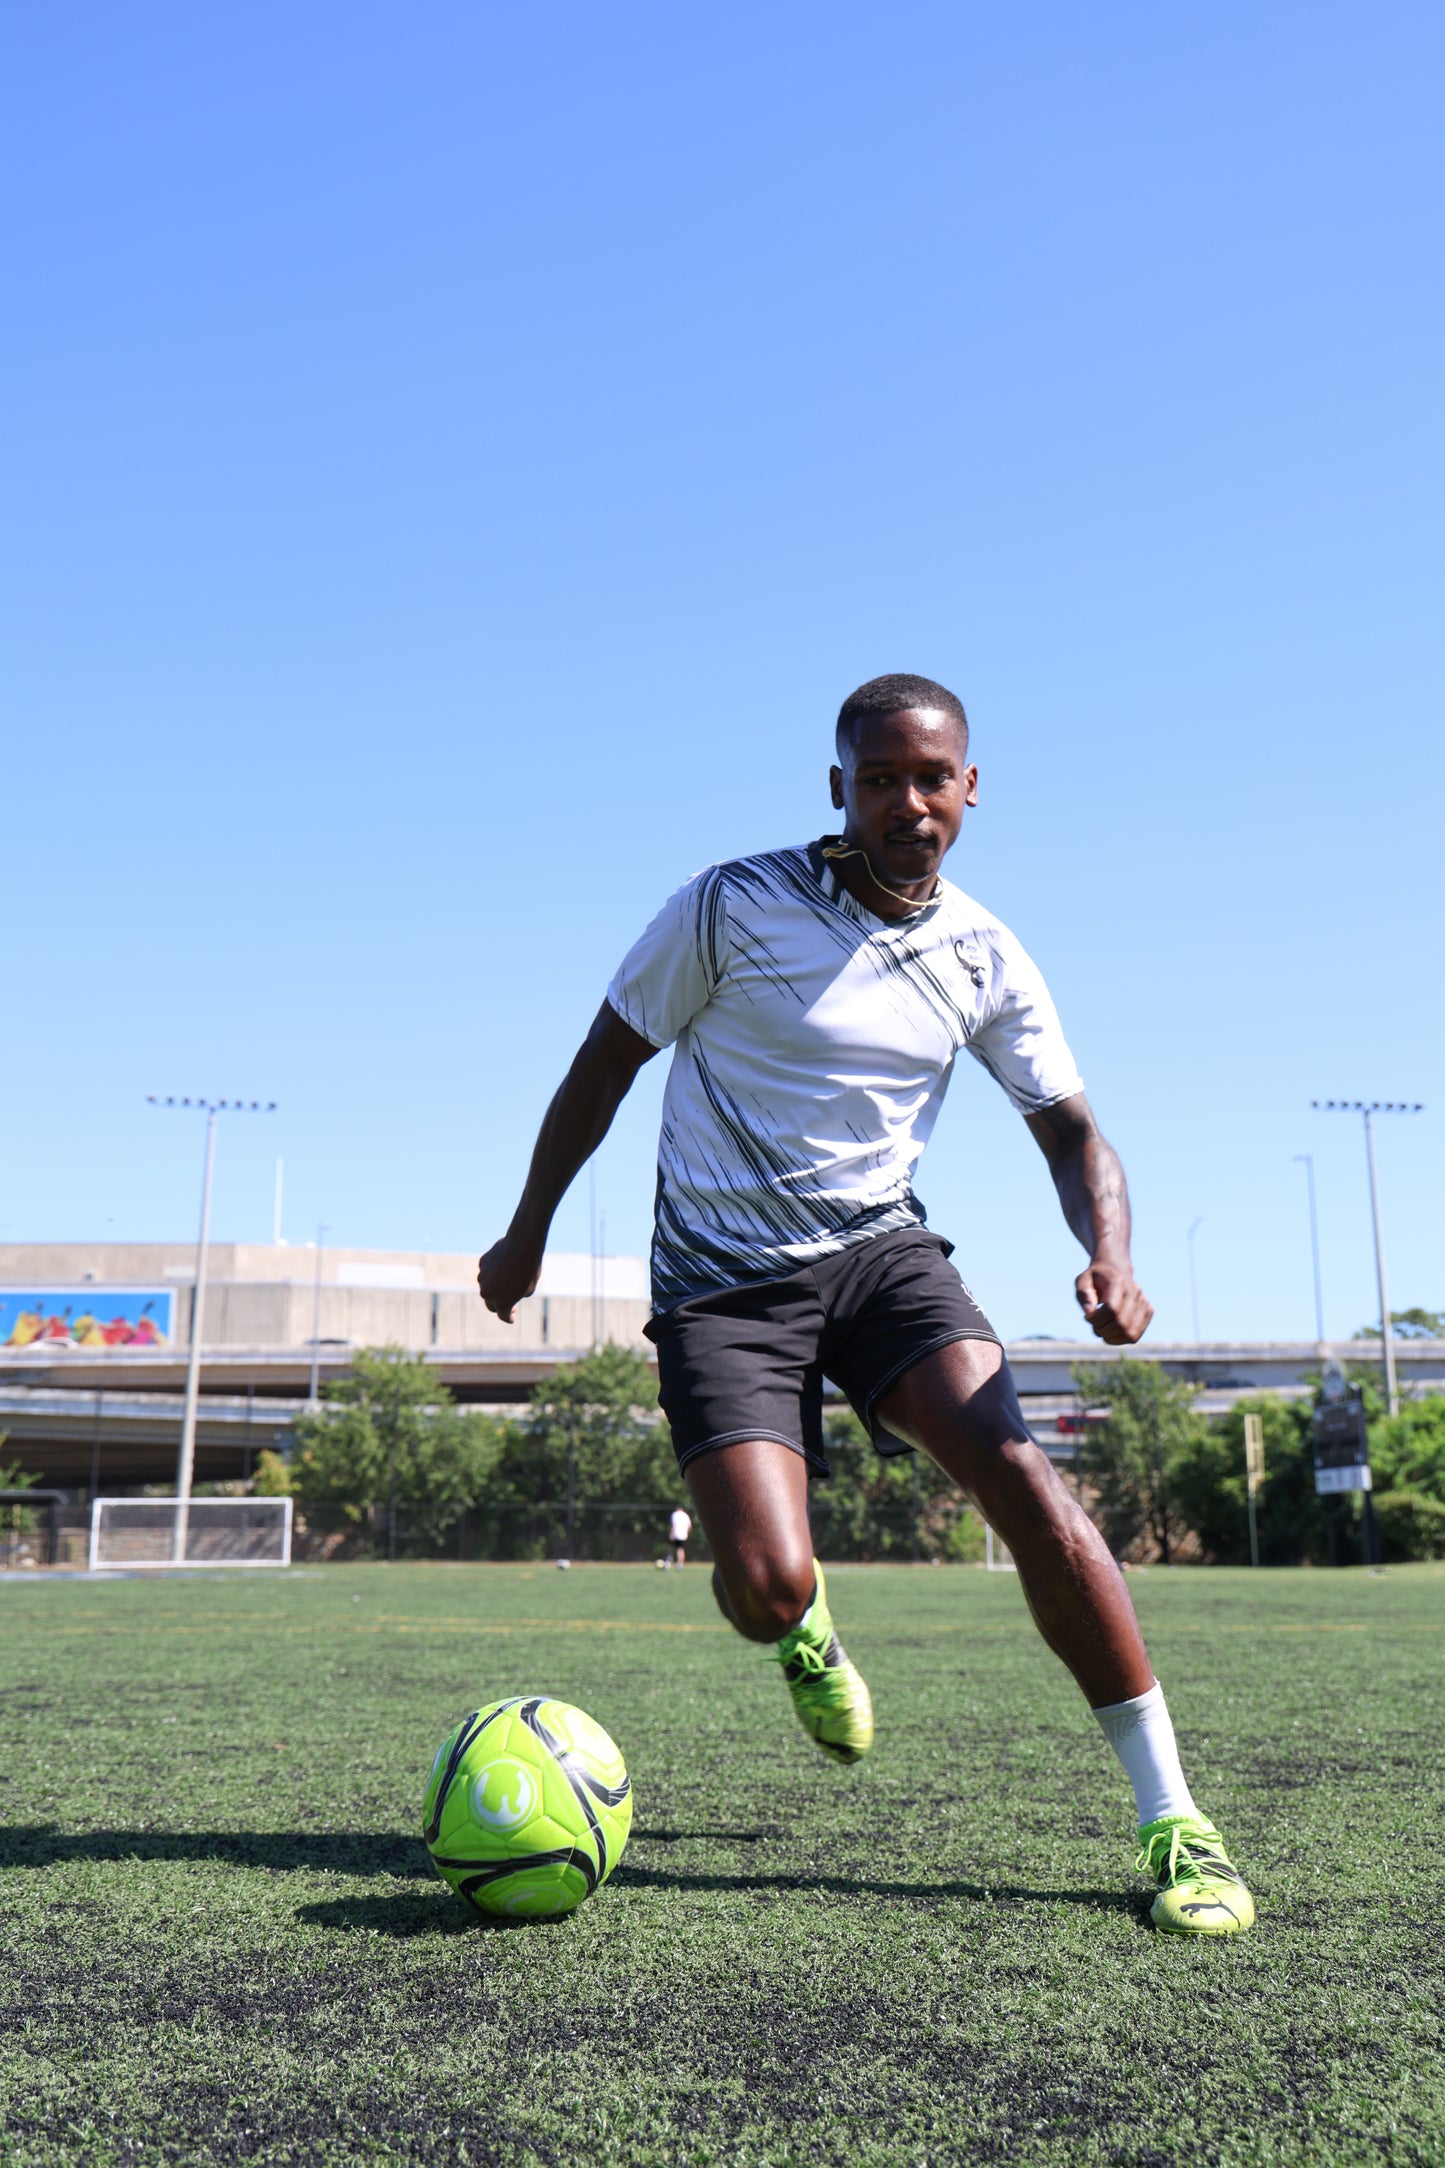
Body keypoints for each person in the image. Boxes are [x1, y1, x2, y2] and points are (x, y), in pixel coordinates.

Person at [479, 673, 1253, 1936]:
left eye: (930, 777)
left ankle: (1173, 1817)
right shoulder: (728, 907)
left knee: (1024, 1478)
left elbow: (1071, 1130)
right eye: (879, 776)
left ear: (968, 789)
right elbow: (601, 1064)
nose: (907, 801)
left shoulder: (984, 952)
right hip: (723, 1284)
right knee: (765, 1583)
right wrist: (526, 1234)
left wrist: (1109, 1252)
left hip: (882, 1260)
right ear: (837, 786)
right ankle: (804, 1628)